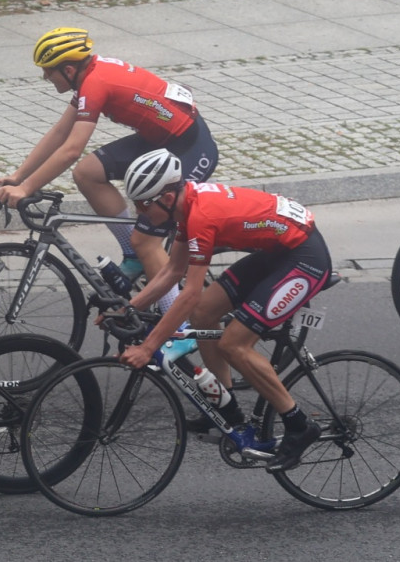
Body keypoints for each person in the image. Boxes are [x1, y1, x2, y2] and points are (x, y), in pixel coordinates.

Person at [0, 27, 218, 355]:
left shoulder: (96, 82)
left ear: (68, 70)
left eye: (47, 72)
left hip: (191, 148)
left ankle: (178, 328)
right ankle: (132, 255)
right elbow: (60, 132)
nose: (45, 79)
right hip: (160, 140)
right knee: (87, 173)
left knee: (148, 240)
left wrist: (28, 187)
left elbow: (71, 148)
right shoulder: (88, 76)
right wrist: (18, 176)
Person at [115, 149, 330, 472]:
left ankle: (300, 426)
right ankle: (225, 406)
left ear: (168, 197)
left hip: (304, 258)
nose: (139, 211)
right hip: (277, 252)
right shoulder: (186, 208)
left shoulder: (201, 216)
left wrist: (149, 347)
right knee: (204, 313)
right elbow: (173, 271)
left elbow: (185, 295)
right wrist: (127, 308)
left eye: (144, 203)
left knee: (234, 344)